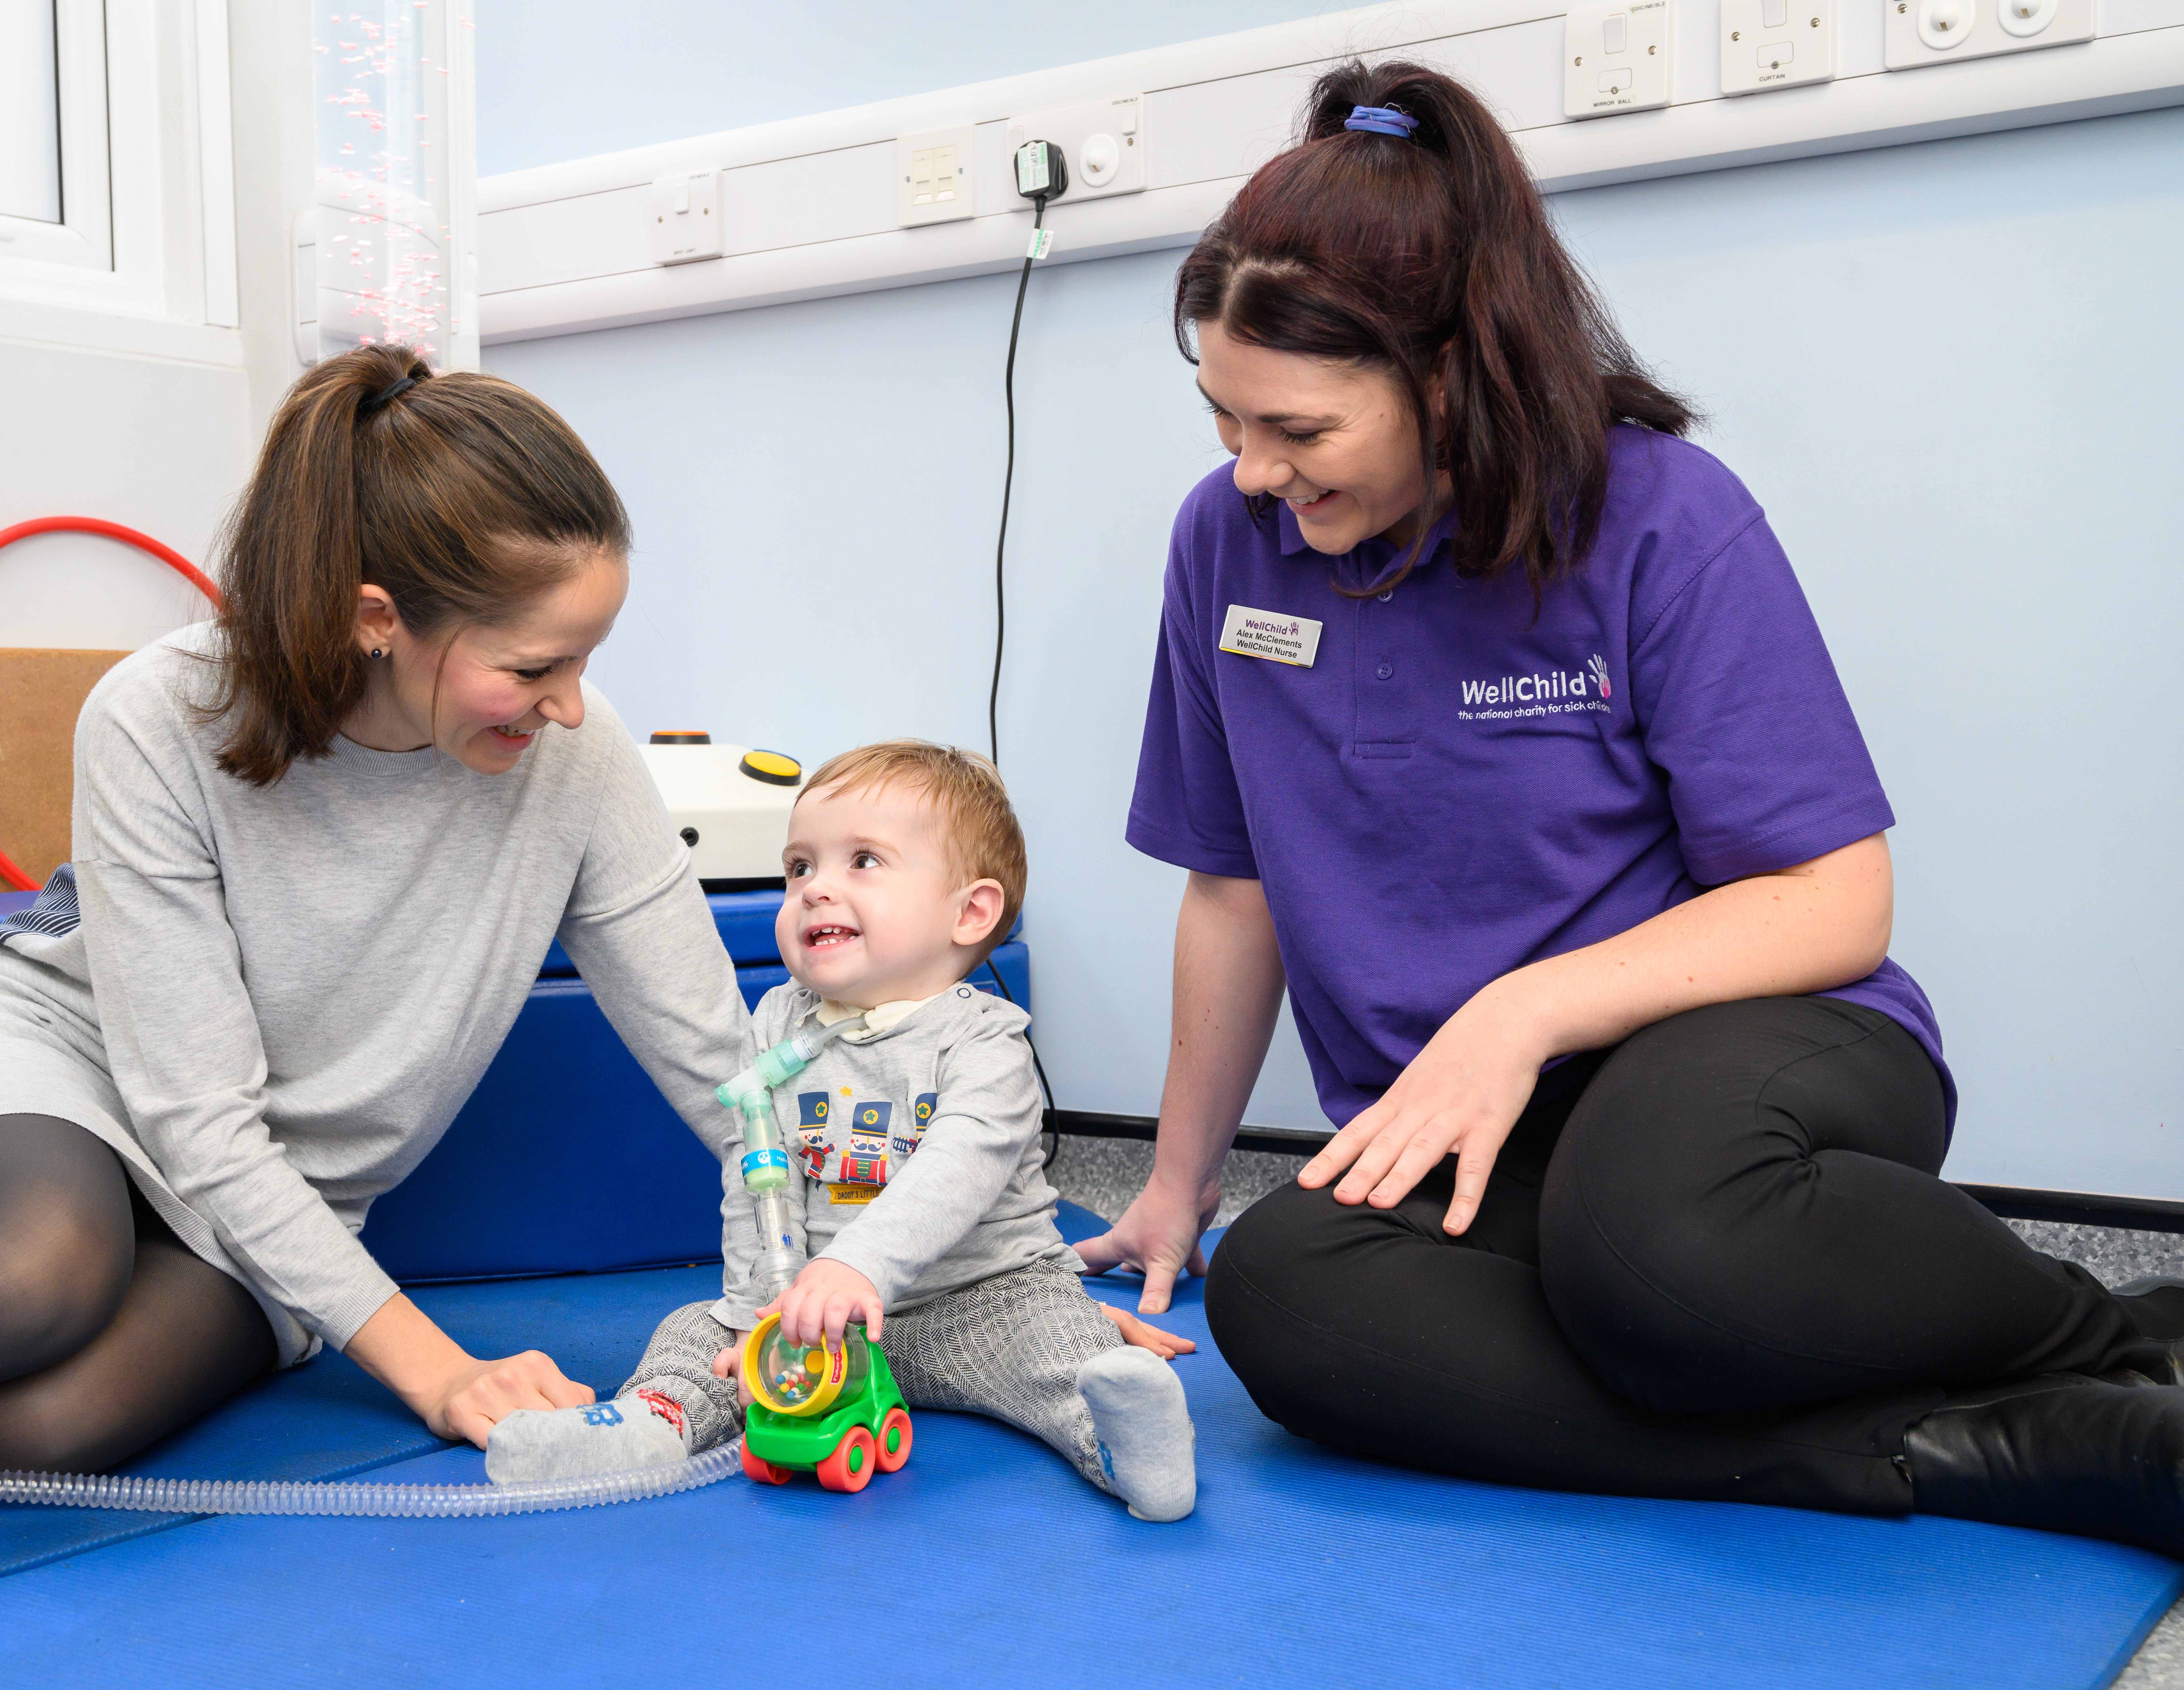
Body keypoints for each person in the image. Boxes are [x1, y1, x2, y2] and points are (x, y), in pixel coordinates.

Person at [1074, 60, 2184, 1556]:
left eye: (1300, 432)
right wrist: (1172, 1183)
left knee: (1653, 1249)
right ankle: (1956, 1446)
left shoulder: (1658, 514)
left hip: (1737, 1066)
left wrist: (1522, 1011)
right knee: (1286, 1291)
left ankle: (2102, 1336)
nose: (1255, 474)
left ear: (1449, 373)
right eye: (1223, 422)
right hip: (1473, 1135)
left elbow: (1834, 897)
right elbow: (1232, 885)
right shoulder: (1227, 546)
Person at [0, 346, 755, 1480]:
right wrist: (437, 1367)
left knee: (52, 1431)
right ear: (379, 618)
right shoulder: (160, 712)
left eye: (586, 660)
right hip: (56, 1061)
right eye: (534, 666)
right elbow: (196, 1115)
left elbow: (725, 1061)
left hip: (280, 1192)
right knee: (26, 1275)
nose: (570, 705)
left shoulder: (578, 755)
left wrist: (858, 1259)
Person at [482, 742, 1200, 1521]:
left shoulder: (987, 1042)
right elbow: (755, 1170)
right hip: (814, 1313)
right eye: (799, 868)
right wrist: (763, 1305)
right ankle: (644, 1425)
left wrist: (859, 1266)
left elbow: (955, 1169)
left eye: (863, 861)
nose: (816, 888)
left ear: (971, 912)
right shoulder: (778, 1022)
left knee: (1061, 1342)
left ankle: (1123, 1442)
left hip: (981, 1296)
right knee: (694, 1332)